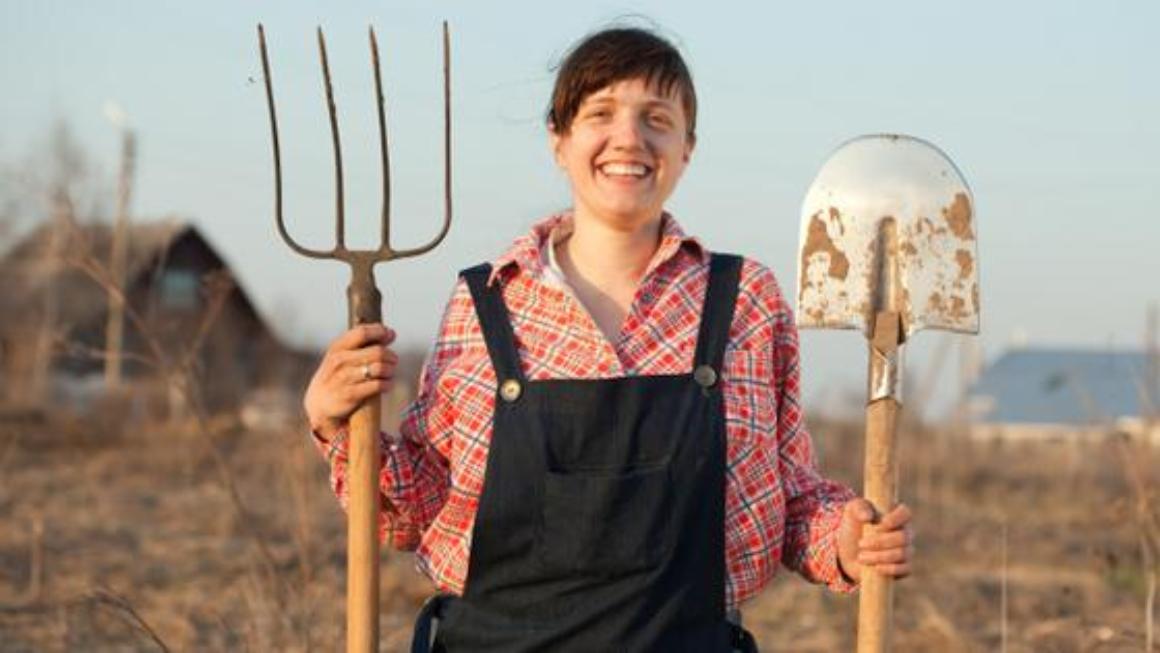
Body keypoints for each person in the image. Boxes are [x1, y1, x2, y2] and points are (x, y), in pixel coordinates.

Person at [304, 25, 913, 652]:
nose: (629, 138)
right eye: (600, 113)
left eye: (657, 118)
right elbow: (421, 505)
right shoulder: (488, 303)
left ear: (686, 148)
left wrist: (844, 537)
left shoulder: (744, 303)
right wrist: (336, 427)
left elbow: (788, 501)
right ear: (559, 141)